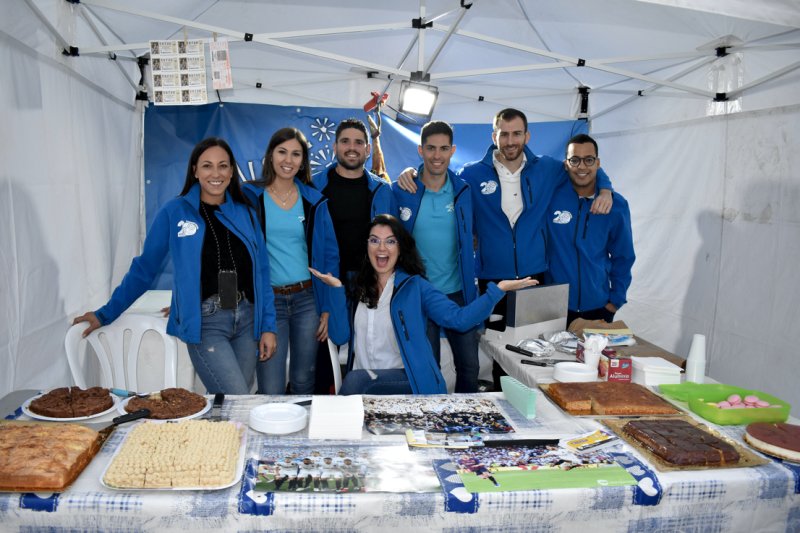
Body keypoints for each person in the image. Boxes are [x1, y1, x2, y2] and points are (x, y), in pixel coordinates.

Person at [73, 137, 277, 394]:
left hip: (248, 319)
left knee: (234, 401)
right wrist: (105, 313)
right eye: (207, 166)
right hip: (207, 322)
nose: (216, 173)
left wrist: (268, 326)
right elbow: (144, 269)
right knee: (235, 396)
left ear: (231, 170)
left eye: (223, 166)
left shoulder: (246, 211)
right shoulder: (175, 211)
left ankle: (215, 435)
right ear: (195, 170)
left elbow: (262, 272)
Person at [397, 108, 615, 323]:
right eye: (504, 134)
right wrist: (412, 172)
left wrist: (605, 188)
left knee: (537, 348)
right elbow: (437, 173)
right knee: (496, 351)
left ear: (526, 136)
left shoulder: (547, 168)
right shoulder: (471, 174)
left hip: (535, 276)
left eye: (517, 133)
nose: (511, 141)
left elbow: (582, 166)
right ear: (494, 136)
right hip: (492, 278)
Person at [310, 214, 538, 395]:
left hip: (406, 380)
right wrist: (336, 289)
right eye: (374, 240)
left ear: (400, 249)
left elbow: (459, 320)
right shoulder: (357, 286)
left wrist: (497, 291)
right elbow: (340, 338)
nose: (382, 248)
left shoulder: (416, 287)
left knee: (356, 379)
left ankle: (332, 431)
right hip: (365, 384)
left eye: (390, 241)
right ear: (367, 246)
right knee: (358, 378)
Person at [245, 127, 348, 395]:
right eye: (282, 152)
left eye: (295, 154)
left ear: (303, 161)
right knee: (271, 386)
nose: (288, 160)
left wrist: (326, 307)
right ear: (270, 155)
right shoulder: (248, 198)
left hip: (307, 301)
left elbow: (329, 256)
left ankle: (301, 437)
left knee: (303, 380)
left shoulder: (315, 201)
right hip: (269, 304)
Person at [393, 120, 481, 393]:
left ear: (453, 150)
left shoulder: (463, 191)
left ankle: (468, 424)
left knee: (470, 367)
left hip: (458, 295)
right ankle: (432, 424)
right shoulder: (402, 190)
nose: (437, 155)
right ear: (420, 150)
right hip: (420, 296)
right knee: (429, 368)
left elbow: (475, 236)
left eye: (443, 148)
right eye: (430, 148)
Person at [546, 134, 635, 326]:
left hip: (599, 308)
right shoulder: (550, 198)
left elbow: (624, 256)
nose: (582, 166)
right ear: (566, 164)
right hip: (553, 308)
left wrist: (614, 302)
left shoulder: (616, 205)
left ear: (598, 163)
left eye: (589, 160)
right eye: (575, 160)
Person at [313, 118, 397, 289]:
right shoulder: (313, 189)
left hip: (372, 283)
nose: (352, 148)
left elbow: (396, 241)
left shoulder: (383, 191)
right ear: (335, 147)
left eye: (358, 142)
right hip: (327, 282)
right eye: (345, 141)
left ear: (367, 149)